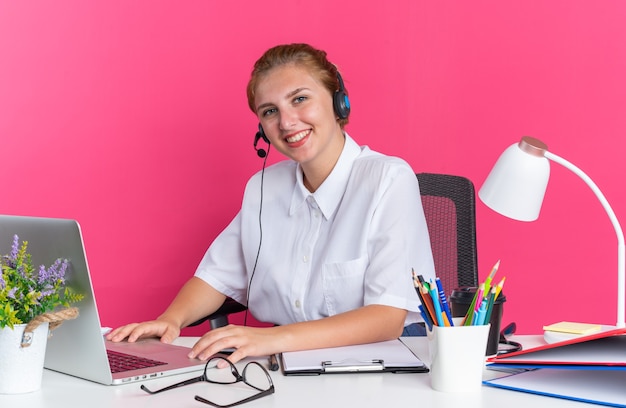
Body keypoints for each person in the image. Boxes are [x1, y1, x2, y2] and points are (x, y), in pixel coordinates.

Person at [107, 43, 436, 366]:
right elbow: (216, 276)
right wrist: (171, 320)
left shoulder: (388, 179)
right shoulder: (264, 188)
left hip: (383, 365)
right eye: (270, 111)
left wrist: (272, 339)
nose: (287, 122)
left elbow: (387, 318)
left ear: (339, 101)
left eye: (300, 99)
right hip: (289, 363)